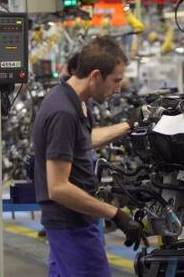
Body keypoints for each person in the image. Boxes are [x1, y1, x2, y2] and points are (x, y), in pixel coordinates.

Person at [33, 36, 142, 277]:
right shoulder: (63, 112)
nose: (118, 88)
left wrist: (129, 125)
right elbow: (58, 188)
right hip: (71, 225)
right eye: (116, 80)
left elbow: (83, 141)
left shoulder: (74, 100)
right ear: (95, 76)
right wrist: (116, 214)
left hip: (71, 224)